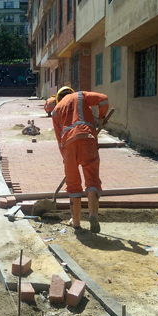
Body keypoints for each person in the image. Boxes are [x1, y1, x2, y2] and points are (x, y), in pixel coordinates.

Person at [51, 86, 109, 232]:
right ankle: (93, 214)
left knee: (73, 183)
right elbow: (103, 99)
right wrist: (101, 118)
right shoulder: (81, 96)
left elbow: (59, 140)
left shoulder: (56, 109)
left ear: (59, 98)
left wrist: (66, 158)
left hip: (68, 146)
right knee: (92, 179)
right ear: (70, 92)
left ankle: (76, 222)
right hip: (87, 139)